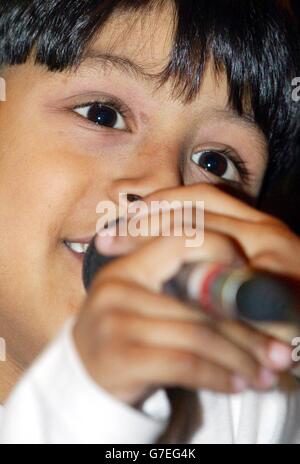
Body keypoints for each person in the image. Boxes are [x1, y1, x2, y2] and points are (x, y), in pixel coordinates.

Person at [0, 0, 299, 444]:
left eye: (214, 162)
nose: (163, 187)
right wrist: (88, 398)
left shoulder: (253, 395)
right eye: (102, 113)